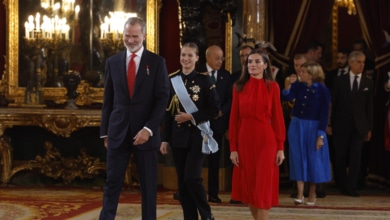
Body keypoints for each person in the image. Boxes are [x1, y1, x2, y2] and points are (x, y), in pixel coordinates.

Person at [99, 17, 170, 220]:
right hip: (117, 132)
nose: (130, 40)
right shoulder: (112, 62)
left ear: (144, 36)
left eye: (135, 36)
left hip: (146, 134)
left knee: (148, 185)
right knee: (112, 182)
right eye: (127, 36)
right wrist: (105, 132)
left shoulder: (156, 62)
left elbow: (162, 99)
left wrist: (148, 129)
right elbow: (108, 100)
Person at [160, 42, 219, 220]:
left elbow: (214, 109)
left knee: (192, 177)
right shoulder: (172, 79)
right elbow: (168, 113)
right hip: (178, 138)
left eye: (189, 55)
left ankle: (207, 215)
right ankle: (189, 217)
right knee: (182, 183)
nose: (185, 59)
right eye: (183, 55)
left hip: (197, 136)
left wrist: (191, 117)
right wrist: (164, 139)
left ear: (197, 58)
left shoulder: (204, 80)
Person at [229, 50, 285, 220]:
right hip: (245, 140)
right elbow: (234, 119)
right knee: (250, 186)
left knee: (263, 186)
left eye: (257, 61)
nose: (252, 64)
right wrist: (233, 147)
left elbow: (278, 118)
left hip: (266, 141)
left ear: (265, 65)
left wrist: (281, 147)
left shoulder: (272, 87)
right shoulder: (238, 87)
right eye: (250, 61)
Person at [282, 61, 332, 206]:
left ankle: (312, 194)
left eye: (303, 72)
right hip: (297, 125)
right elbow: (287, 97)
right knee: (298, 158)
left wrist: (320, 136)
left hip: (314, 127)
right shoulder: (298, 86)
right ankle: (299, 194)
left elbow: (324, 114)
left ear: (312, 74)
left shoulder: (323, 90)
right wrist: (287, 85)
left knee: (313, 160)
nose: (300, 74)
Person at [330, 50, 374, 197]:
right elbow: (333, 104)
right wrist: (329, 124)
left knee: (356, 157)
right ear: (351, 63)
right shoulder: (339, 80)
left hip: (359, 127)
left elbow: (370, 107)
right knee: (340, 156)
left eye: (363, 62)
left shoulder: (368, 81)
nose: (362, 65)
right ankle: (341, 184)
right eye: (358, 62)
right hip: (341, 125)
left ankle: (352, 186)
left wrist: (369, 128)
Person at [197, 44, 232, 203]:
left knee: (214, 160)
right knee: (195, 159)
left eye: (222, 58)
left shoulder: (226, 75)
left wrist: (220, 111)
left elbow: (229, 99)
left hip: (217, 124)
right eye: (217, 58)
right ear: (208, 57)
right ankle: (191, 191)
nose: (220, 61)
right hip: (199, 123)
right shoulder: (197, 74)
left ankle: (213, 193)